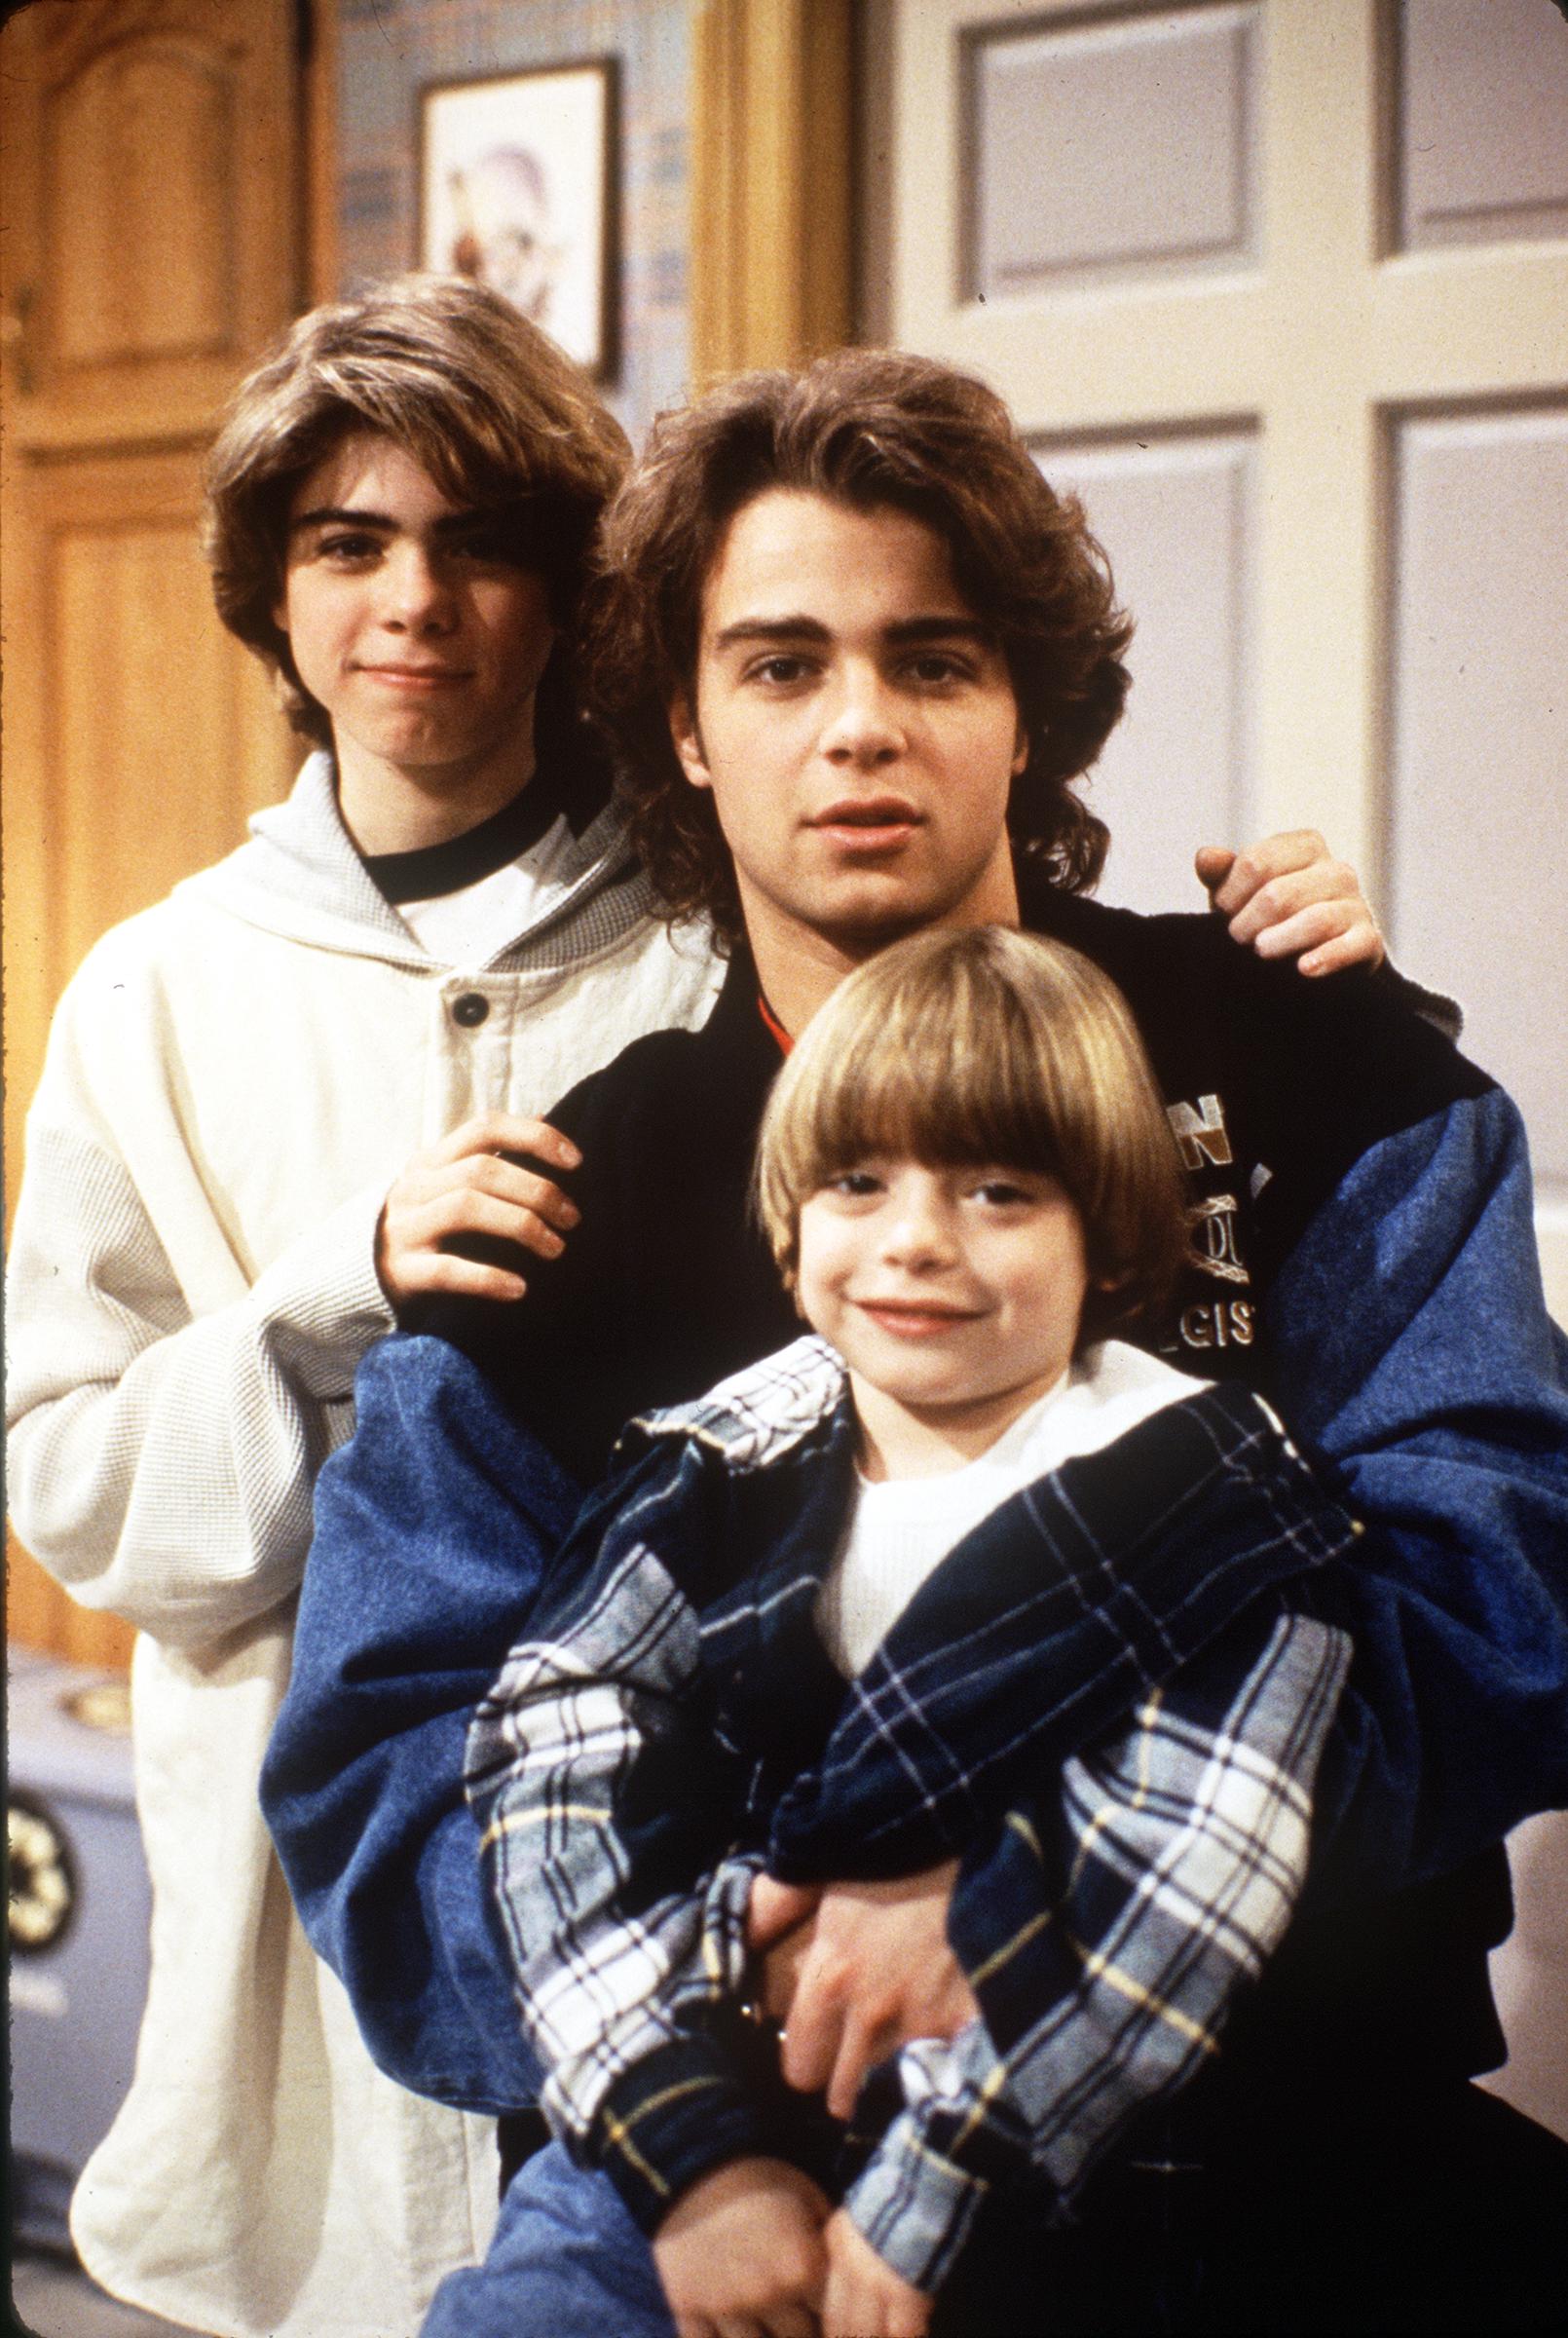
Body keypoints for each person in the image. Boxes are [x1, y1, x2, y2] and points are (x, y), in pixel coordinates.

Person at [263, 349, 1568, 2327]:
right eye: (780, 666)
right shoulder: (557, 1214)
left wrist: (1021, 1910)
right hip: (726, 2184)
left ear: (1026, 709)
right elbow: (387, 1773)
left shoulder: (1311, 1056)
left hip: (1278, 2134)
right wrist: (733, 2004)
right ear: (682, 731)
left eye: (932, 660)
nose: (858, 728)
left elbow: (1503, 1576)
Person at [1, 275, 725, 2338]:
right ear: (276, 594)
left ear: (567, 586)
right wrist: (327, 1300)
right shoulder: (157, 990)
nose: (413, 601)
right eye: (349, 543)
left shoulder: (693, 939)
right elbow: (69, 1486)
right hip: (295, 1952)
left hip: (666, 1879)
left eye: (478, 540)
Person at [436, 924, 1362, 2338]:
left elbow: (1182, 1879)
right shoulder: (711, 1460)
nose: (915, 1240)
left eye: (997, 1191)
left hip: (1034, 2155)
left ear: (1106, 1240)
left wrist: (933, 2193)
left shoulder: (1208, 1494)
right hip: (687, 2095)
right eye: (856, 1182)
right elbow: (554, 1756)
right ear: (790, 1221)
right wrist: (689, 2156)